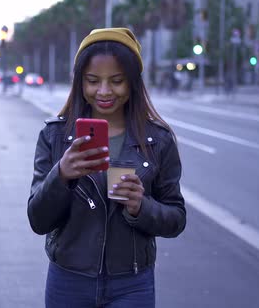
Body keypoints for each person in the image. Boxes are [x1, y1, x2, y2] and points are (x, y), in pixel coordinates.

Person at [27, 28, 186, 307]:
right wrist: (61, 175)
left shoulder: (158, 140)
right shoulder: (54, 137)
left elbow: (176, 218)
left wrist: (141, 206)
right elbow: (38, 220)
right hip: (69, 281)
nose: (103, 91)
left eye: (116, 81)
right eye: (92, 81)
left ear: (132, 83)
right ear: (80, 82)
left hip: (132, 284)